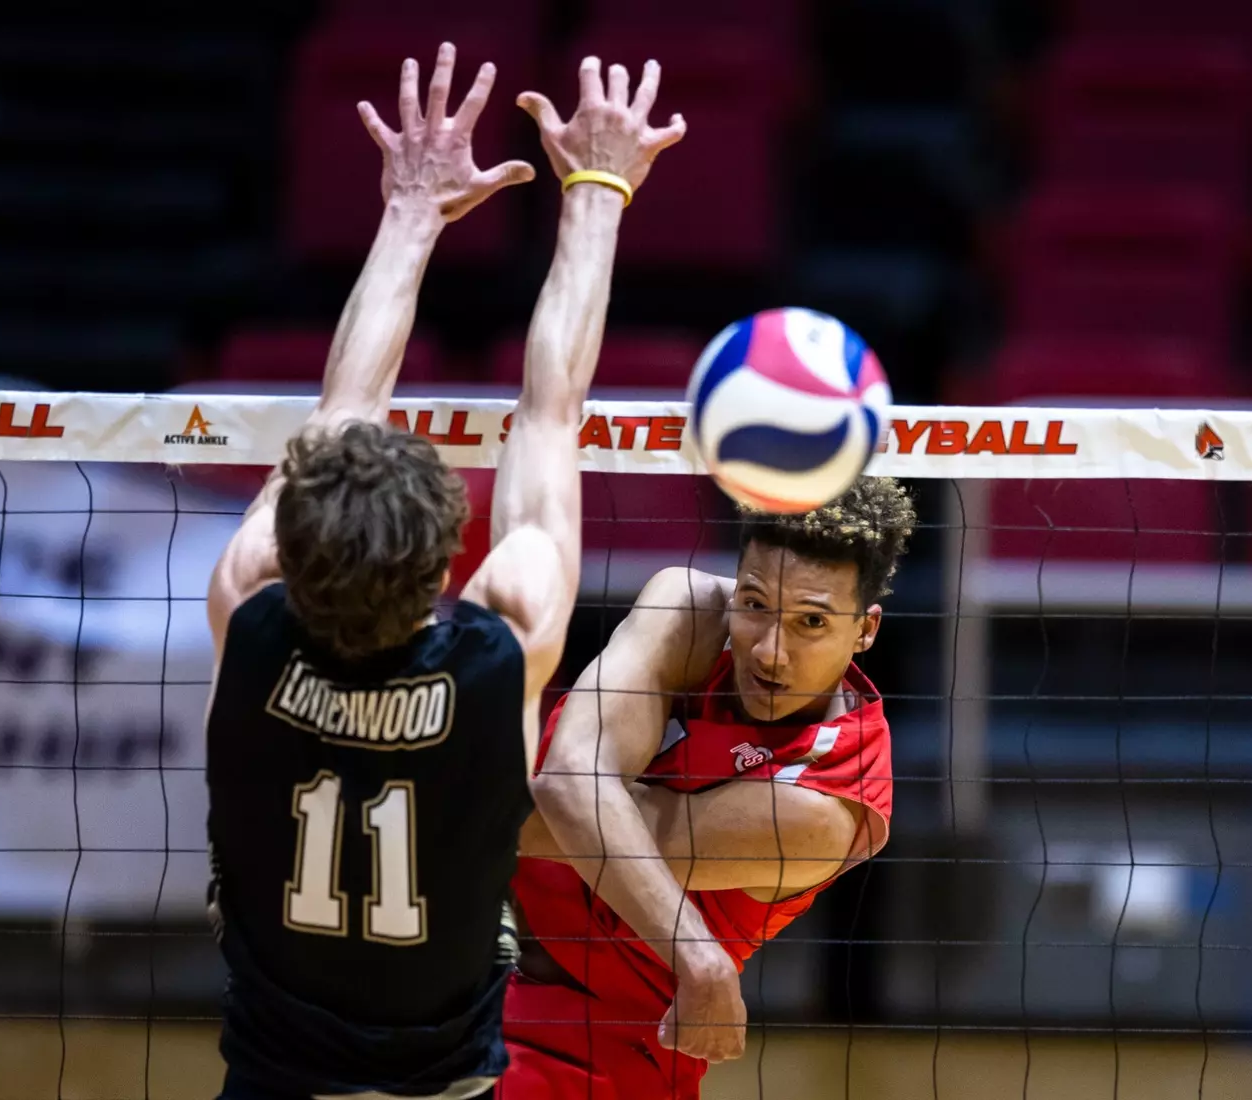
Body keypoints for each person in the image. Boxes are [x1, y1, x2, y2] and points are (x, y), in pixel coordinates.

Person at [202, 42, 685, 1100]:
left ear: (298, 546)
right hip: (445, 1084)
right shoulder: (502, 639)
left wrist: (411, 210)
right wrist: (597, 192)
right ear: (443, 556)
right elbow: (552, 408)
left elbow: (338, 412)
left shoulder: (246, 610)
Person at [501, 478, 916, 1099]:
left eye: (810, 622)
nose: (771, 652)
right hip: (466, 976)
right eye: (754, 605)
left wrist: (602, 782)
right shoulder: (686, 609)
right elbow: (566, 787)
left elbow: (534, 817)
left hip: (602, 1052)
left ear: (865, 629)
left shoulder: (821, 807)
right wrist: (701, 955)